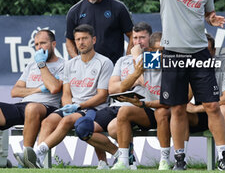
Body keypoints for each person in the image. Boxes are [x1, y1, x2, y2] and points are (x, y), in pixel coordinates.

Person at [122, 0, 225, 171]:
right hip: (173, 53)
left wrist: (212, 18)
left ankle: (224, 159)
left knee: (212, 105)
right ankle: (179, 160)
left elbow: (209, 13)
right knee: (178, 108)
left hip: (200, 53)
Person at [21, 24, 113, 168]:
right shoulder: (70, 64)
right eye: (77, 39)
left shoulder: (104, 62)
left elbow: (102, 96)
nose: (81, 43)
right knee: (47, 122)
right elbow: (66, 93)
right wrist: (68, 106)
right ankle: (40, 163)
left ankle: (37, 153)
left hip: (94, 108)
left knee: (67, 121)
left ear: (93, 40)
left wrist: (78, 106)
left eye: (85, 39)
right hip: (74, 107)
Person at [73, 22, 160, 170]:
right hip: (116, 105)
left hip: (141, 107)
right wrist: (134, 78)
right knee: (83, 128)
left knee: (114, 127)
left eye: (142, 38)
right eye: (135, 38)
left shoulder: (155, 58)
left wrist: (137, 60)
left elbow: (148, 84)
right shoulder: (122, 60)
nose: (138, 42)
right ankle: (121, 156)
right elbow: (113, 89)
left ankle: (126, 160)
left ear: (150, 39)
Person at [109, 31, 172, 170]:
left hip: (168, 110)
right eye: (157, 51)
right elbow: (126, 86)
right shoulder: (145, 60)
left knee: (161, 112)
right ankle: (124, 161)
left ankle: (164, 160)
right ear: (150, 51)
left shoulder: (173, 64)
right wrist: (137, 68)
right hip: (149, 109)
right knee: (124, 111)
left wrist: (144, 103)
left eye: (164, 51)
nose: (161, 55)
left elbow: (167, 101)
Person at [5, 30, 64, 167]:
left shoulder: (63, 65)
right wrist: (37, 89)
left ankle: (26, 159)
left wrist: (42, 65)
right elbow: (15, 92)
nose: (39, 47)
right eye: (36, 44)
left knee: (32, 108)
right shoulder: (31, 65)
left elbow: (54, 87)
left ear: (53, 44)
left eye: (43, 43)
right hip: (23, 105)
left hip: (46, 107)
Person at [186, 33, 225, 159]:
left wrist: (196, 109)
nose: (202, 55)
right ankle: (180, 160)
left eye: (206, 51)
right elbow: (185, 100)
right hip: (204, 111)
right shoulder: (190, 64)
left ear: (214, 51)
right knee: (179, 113)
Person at [66, 0, 134, 64]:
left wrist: (126, 60)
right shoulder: (74, 11)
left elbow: (132, 34)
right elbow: (69, 40)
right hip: (86, 67)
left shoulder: (118, 8)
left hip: (113, 66)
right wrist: (78, 61)